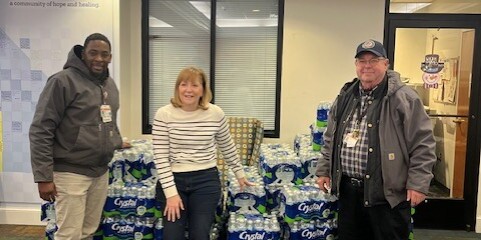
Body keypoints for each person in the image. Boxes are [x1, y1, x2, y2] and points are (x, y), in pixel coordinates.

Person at [315, 39, 436, 240]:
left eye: (374, 60)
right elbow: (331, 138)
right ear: (356, 65)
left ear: (386, 64)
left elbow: (423, 143)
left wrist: (418, 183)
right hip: (350, 193)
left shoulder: (404, 98)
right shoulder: (346, 95)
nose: (367, 66)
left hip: (387, 195)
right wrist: (324, 170)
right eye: (362, 61)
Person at [29, 33, 128, 240]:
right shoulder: (62, 81)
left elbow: (107, 122)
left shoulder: (109, 84)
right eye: (93, 53)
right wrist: (43, 177)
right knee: (69, 235)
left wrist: (116, 142)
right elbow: (41, 129)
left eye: (104, 54)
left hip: (99, 172)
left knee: (88, 232)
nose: (99, 59)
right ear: (83, 54)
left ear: (110, 57)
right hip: (70, 172)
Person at [152, 67, 252, 240]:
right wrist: (171, 194)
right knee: (172, 235)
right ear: (177, 88)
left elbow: (227, 145)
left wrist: (239, 173)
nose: (188, 90)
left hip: (206, 180)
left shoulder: (215, 113)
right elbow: (160, 157)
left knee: (200, 235)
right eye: (184, 85)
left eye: (195, 85)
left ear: (203, 90)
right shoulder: (163, 114)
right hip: (173, 180)